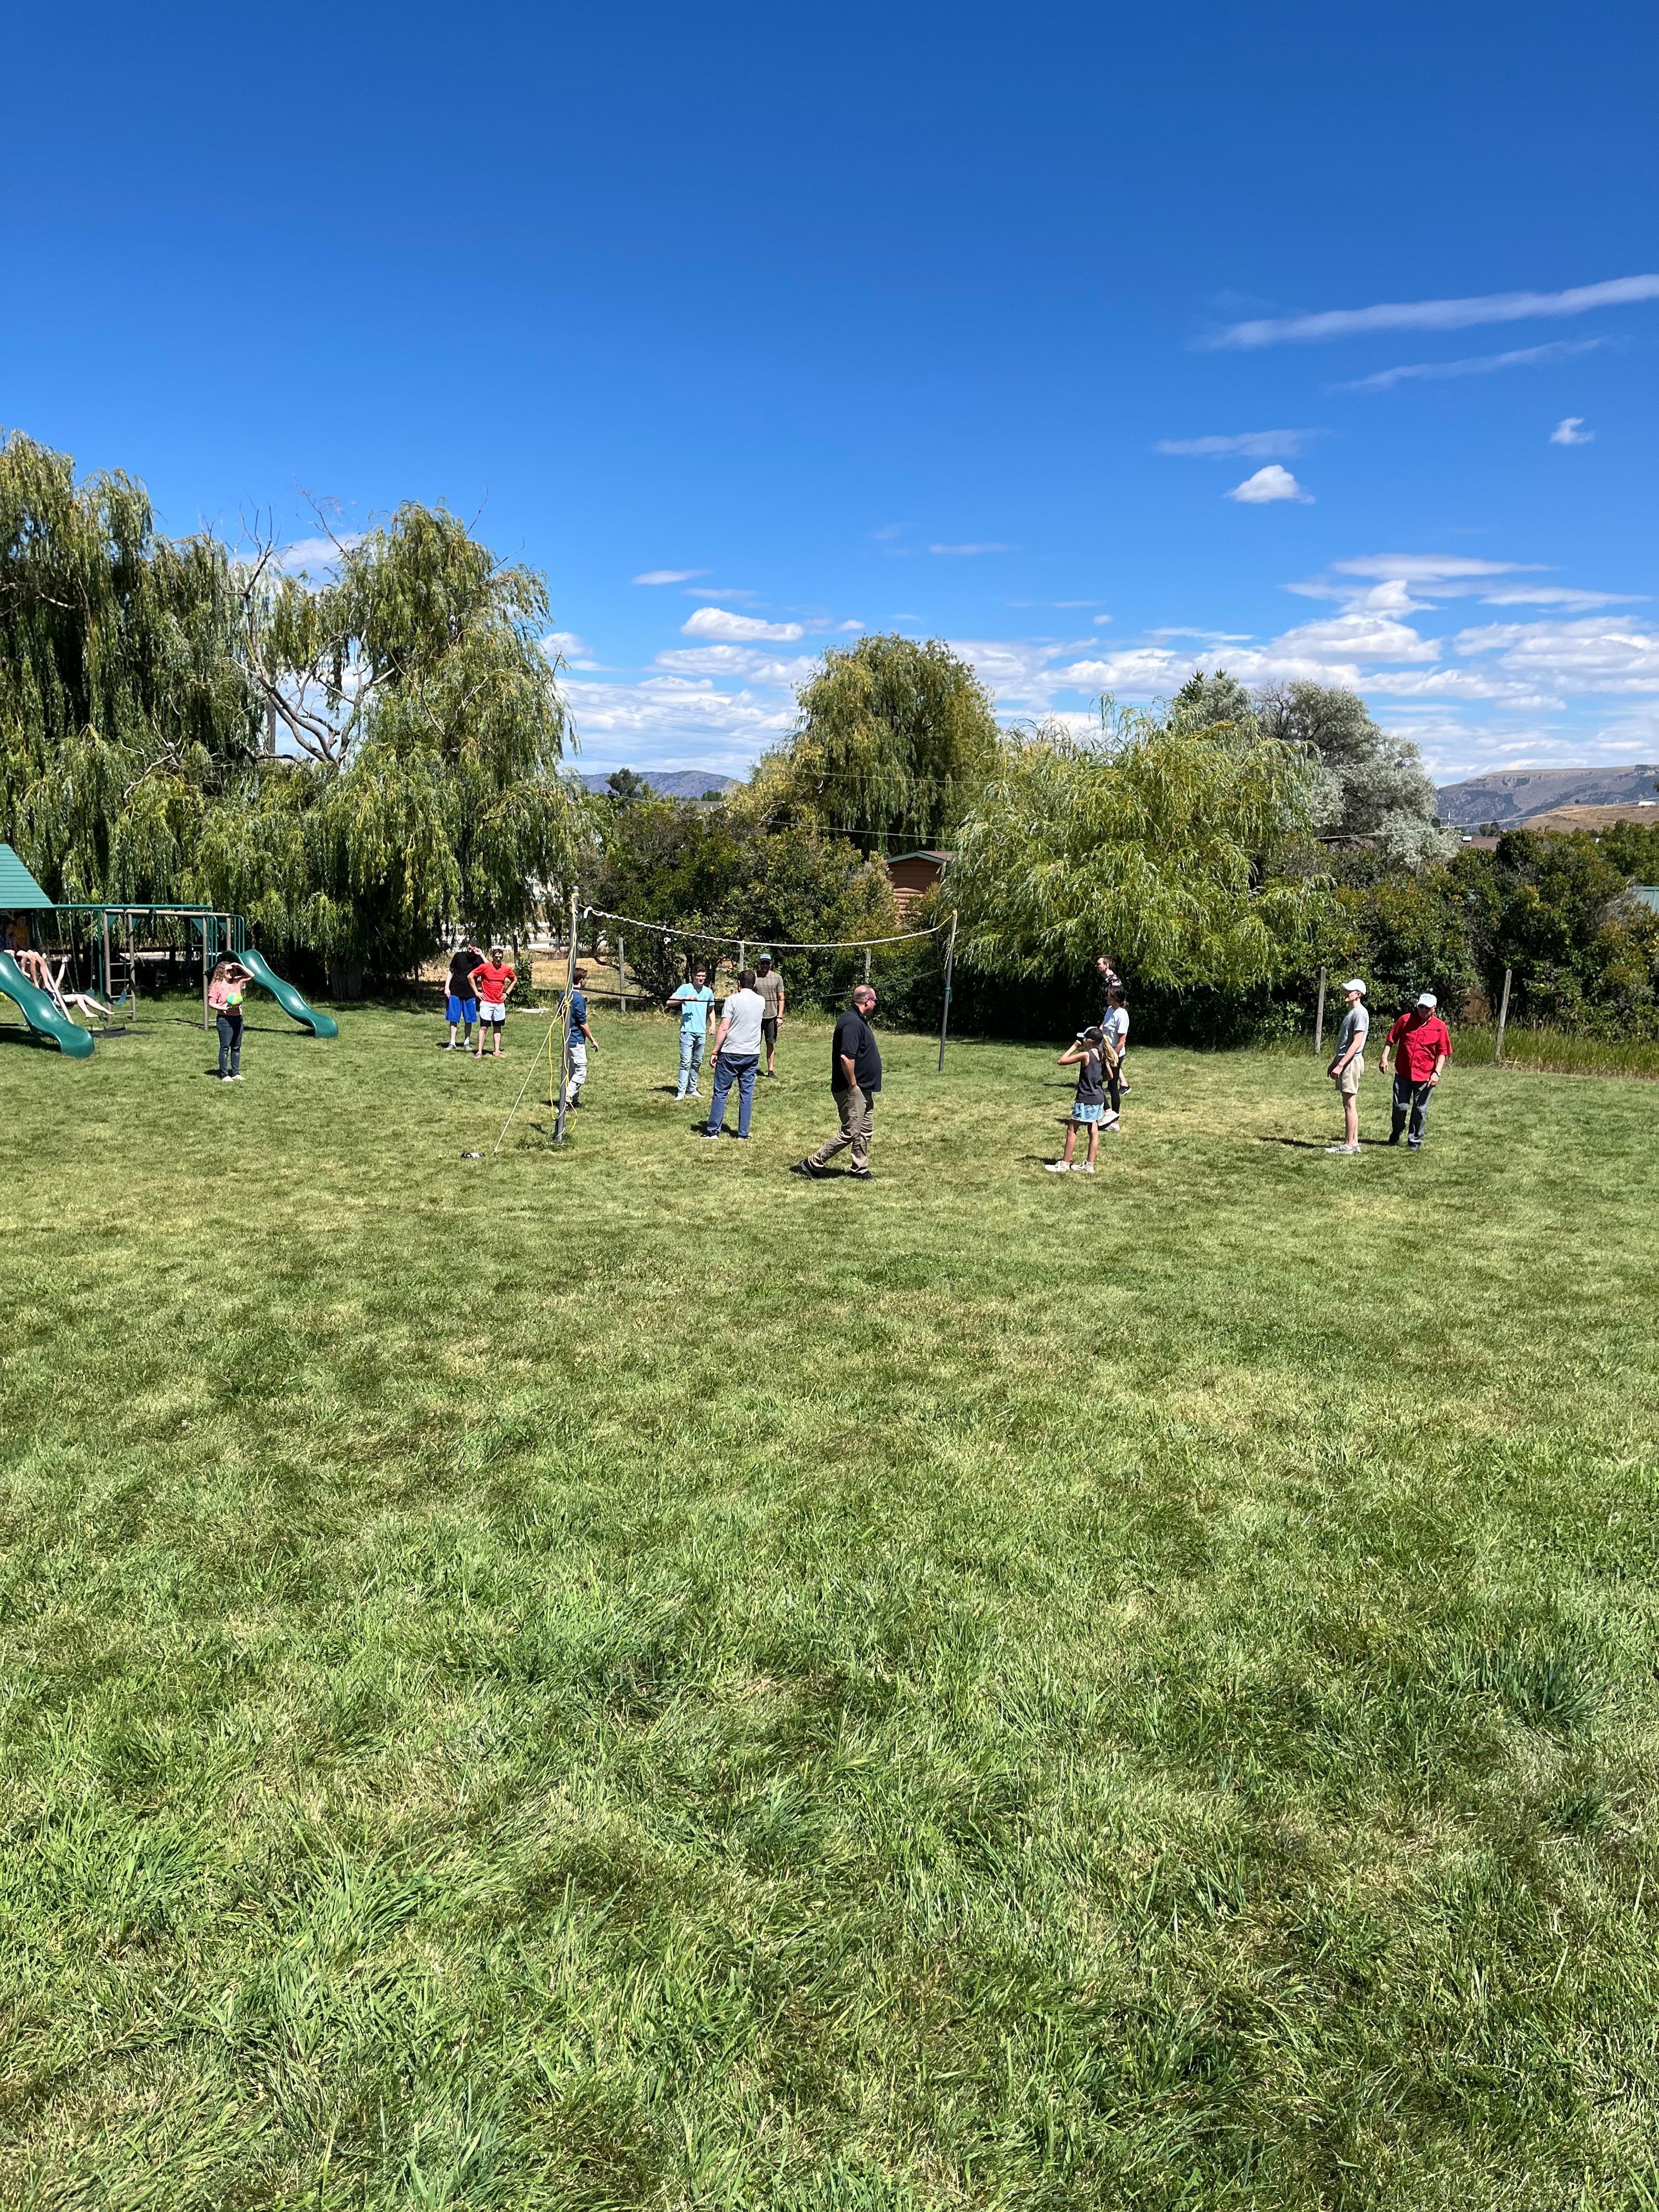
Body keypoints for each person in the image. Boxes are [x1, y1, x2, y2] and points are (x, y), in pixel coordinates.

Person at [793, 983, 882, 1181]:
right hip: (852, 1088)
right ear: (867, 1001)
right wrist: (853, 1085)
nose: (876, 1004)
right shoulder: (851, 1023)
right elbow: (846, 1058)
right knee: (851, 1131)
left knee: (865, 1131)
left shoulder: (858, 1020)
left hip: (863, 1088)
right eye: (875, 1000)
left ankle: (859, 1169)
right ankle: (812, 1163)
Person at [1379, 991, 1453, 1149]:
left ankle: (1415, 1142)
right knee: (1400, 1107)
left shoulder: (1440, 1027)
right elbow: (1391, 1039)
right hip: (1403, 1073)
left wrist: (1437, 1073)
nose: (1423, 1010)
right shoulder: (1405, 1020)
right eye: (1421, 1007)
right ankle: (1397, 1131)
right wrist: (1384, 1057)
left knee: (1420, 1110)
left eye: (1427, 1008)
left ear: (1434, 1009)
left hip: (1425, 1077)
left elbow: (1443, 1053)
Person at [700, 967, 765, 1138]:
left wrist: (715, 1051)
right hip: (752, 1053)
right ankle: (743, 1133)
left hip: (731, 1052)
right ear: (754, 984)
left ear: (739, 984)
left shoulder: (732, 1000)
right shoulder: (761, 1001)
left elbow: (724, 1027)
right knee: (746, 1094)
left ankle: (713, 1131)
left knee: (721, 1092)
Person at [1046, 1026, 1114, 1173]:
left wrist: (1075, 1046)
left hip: (1085, 1099)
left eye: (1083, 1038)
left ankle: (1064, 1164)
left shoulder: (1086, 1055)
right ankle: (1089, 1165)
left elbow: (1062, 1061)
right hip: (1098, 1098)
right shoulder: (1103, 1055)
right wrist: (1097, 1080)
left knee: (1072, 1130)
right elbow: (1110, 1076)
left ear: (1088, 1041)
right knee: (1093, 1131)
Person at [1325, 979, 1369, 1154]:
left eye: (1350, 991)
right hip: (1345, 1062)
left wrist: (1342, 1064)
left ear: (1358, 994)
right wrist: (1334, 1063)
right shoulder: (1352, 1013)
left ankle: (1349, 1145)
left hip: (1351, 1063)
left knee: (1349, 1105)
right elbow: (1345, 1043)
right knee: (1349, 1104)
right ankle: (1354, 1142)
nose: (1346, 993)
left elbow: (1357, 1043)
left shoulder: (1359, 1013)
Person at [665, 961, 715, 1098]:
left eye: (703, 976)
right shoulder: (685, 988)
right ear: (693, 976)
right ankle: (681, 1092)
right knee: (685, 1062)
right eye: (699, 976)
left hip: (701, 1032)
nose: (701, 979)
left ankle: (692, 1088)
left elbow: (711, 1010)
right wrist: (684, 999)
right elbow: (669, 1002)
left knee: (697, 1061)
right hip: (687, 1031)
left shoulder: (708, 992)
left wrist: (713, 1025)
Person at [207, 956, 253, 1081]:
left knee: (236, 1047)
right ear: (222, 972)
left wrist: (239, 966)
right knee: (225, 1047)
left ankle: (235, 1073)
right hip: (224, 1020)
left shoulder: (237, 982)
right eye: (229, 971)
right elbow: (211, 1003)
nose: (231, 973)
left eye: (233, 970)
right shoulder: (217, 986)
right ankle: (224, 1074)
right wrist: (222, 1008)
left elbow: (252, 975)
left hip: (238, 1019)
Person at [470, 945, 517, 1058]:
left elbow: (514, 979)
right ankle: (480, 1052)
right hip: (487, 1002)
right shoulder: (485, 967)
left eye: (500, 957)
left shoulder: (506, 969)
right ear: (493, 957)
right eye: (496, 957)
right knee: (484, 1027)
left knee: (498, 1027)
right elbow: (470, 976)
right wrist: (477, 992)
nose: (498, 959)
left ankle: (497, 1051)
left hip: (499, 1003)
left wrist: (507, 993)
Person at [565, 964, 595, 1106]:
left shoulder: (565, 995)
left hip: (567, 1039)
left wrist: (582, 1001)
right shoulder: (578, 999)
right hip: (577, 1040)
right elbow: (583, 1023)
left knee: (572, 1071)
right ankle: (566, 1099)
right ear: (581, 980)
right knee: (581, 1072)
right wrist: (593, 1040)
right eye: (586, 979)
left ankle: (573, 1101)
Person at [444, 940, 483, 1051]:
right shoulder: (458, 956)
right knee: (453, 1018)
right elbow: (451, 971)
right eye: (470, 948)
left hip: (470, 993)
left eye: (474, 949)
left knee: (469, 1019)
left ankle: (467, 1042)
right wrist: (447, 987)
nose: (471, 951)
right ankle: (452, 1043)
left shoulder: (478, 959)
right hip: (455, 991)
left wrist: (481, 954)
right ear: (467, 947)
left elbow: (488, 967)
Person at [756, 953, 786, 1076]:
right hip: (756, 1016)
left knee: (770, 1043)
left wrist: (780, 1016)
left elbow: (781, 997)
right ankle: (752, 1069)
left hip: (772, 1016)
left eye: (767, 963)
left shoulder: (777, 978)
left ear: (770, 964)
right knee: (754, 1044)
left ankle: (771, 1071)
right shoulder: (755, 977)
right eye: (763, 963)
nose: (765, 966)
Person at [1102, 986, 1130, 1110]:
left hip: (1115, 1055)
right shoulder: (1109, 1010)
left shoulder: (1122, 1015)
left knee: (1112, 1086)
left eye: (1109, 995)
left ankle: (1113, 1116)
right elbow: (1103, 1027)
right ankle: (1109, 1113)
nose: (1107, 997)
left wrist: (1110, 1057)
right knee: (1096, 1082)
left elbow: (1121, 1042)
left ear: (1115, 998)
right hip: (1105, 1051)